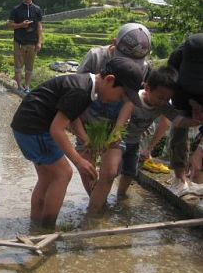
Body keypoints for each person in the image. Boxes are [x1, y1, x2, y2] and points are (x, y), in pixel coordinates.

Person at [11, 57, 144, 228]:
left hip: (28, 126)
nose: (120, 100)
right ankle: (47, 228)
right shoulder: (81, 91)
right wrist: (79, 161)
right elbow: (57, 129)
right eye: (121, 95)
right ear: (110, 80)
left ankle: (36, 224)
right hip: (34, 128)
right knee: (63, 174)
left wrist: (85, 140)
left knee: (47, 178)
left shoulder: (86, 86)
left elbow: (70, 116)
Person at [71, 23, 152, 213]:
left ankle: (95, 212)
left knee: (109, 172)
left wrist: (117, 131)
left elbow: (129, 101)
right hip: (88, 122)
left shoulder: (145, 67)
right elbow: (78, 92)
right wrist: (80, 131)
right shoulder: (95, 57)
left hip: (116, 122)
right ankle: (96, 210)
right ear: (113, 43)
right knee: (88, 169)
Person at [116, 67, 203, 197]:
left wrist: (197, 121)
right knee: (112, 171)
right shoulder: (134, 100)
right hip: (118, 142)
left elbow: (178, 121)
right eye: (160, 97)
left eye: (167, 99)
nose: (162, 102)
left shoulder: (163, 105)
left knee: (129, 172)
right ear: (147, 88)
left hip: (134, 143)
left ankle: (120, 196)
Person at [167, 33, 203, 195]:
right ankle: (180, 178)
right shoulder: (177, 58)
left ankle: (198, 174)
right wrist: (191, 104)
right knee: (179, 130)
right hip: (184, 95)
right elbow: (175, 93)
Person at [7, 0, 43, 94]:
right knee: (18, 66)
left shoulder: (37, 9)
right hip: (19, 42)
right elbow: (9, 25)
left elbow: (39, 26)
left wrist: (39, 42)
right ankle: (19, 86)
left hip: (32, 43)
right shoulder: (16, 9)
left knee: (29, 67)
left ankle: (27, 87)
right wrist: (21, 25)